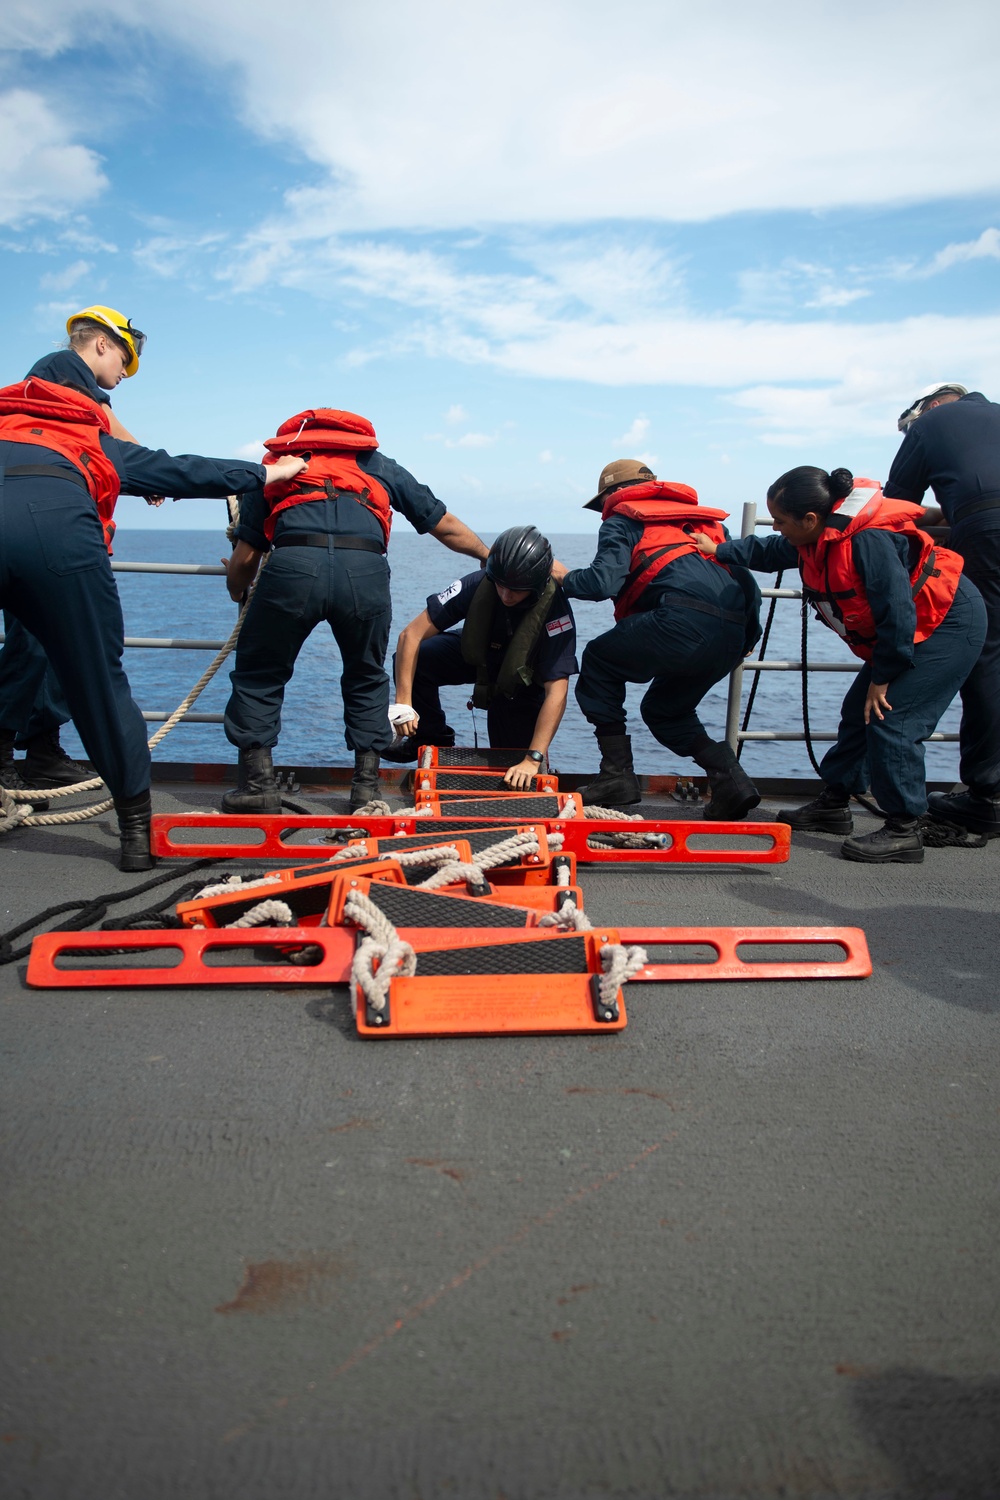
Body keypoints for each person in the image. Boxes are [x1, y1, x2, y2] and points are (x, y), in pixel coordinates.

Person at [0, 344, 305, 871]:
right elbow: (176, 471)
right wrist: (264, 475)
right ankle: (136, 830)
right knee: (99, 681)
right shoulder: (81, 433)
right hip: (58, 535)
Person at [697, 466, 987, 863]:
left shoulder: (868, 541)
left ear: (810, 519)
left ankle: (905, 830)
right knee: (857, 713)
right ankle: (834, 805)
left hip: (946, 622)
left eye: (781, 521)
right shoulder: (814, 537)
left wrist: (883, 679)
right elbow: (767, 550)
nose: (778, 528)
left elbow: (897, 613)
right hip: (910, 627)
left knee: (893, 719)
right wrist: (718, 549)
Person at [220, 407, 489, 812]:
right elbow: (443, 524)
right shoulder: (378, 465)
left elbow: (245, 560)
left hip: (293, 568)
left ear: (296, 436)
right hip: (364, 574)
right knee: (365, 676)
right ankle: (366, 789)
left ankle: (258, 786)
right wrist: (488, 556)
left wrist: (237, 587)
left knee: (260, 674)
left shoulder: (277, 465)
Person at [0, 306, 157, 792]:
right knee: (32, 646)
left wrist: (146, 469)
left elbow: (105, 425)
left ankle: (42, 750)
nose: (122, 376)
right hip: (46, 535)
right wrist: (150, 470)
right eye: (123, 362)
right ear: (103, 343)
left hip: (49, 531)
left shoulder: (76, 387)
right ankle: (6, 750)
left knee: (46, 649)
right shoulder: (58, 370)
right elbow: (104, 429)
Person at [550, 459, 762, 815]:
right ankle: (731, 780)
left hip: (680, 622)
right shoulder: (704, 524)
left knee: (600, 661)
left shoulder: (623, 519)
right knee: (665, 711)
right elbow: (747, 585)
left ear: (613, 494)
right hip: (732, 635)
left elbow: (602, 583)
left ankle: (616, 775)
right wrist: (746, 638)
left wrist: (563, 577)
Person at [885, 382, 1000, 836]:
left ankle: (985, 796)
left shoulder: (930, 422)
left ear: (928, 406)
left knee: (988, 655)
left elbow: (897, 509)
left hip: (989, 532)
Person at [389, 526, 577, 788]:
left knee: (513, 774)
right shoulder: (480, 581)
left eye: (516, 589)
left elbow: (558, 692)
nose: (505, 595)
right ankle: (430, 737)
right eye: (500, 585)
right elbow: (410, 636)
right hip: (480, 658)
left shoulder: (556, 613)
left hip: (519, 684)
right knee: (412, 658)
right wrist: (403, 704)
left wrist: (532, 758)